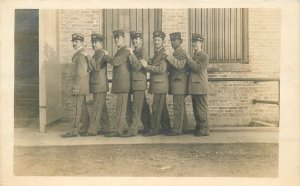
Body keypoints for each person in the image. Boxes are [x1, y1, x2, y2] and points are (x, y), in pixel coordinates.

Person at [141, 31, 171, 136]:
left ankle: (153, 129)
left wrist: (147, 66)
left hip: (160, 85)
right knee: (162, 108)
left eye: (158, 40)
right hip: (158, 84)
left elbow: (162, 69)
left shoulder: (163, 53)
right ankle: (167, 128)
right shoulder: (157, 53)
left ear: (163, 41)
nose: (156, 42)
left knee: (156, 107)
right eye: (155, 40)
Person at [80, 33, 111, 136]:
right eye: (92, 42)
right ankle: (106, 128)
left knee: (96, 108)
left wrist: (88, 56)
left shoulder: (101, 53)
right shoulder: (97, 53)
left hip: (99, 85)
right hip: (97, 85)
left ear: (101, 43)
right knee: (101, 108)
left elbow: (97, 67)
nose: (93, 44)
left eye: (95, 42)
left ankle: (92, 130)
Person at [122, 30, 151, 137]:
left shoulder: (143, 51)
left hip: (139, 83)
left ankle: (133, 130)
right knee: (143, 106)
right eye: (133, 39)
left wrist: (131, 54)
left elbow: (138, 66)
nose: (134, 41)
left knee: (136, 107)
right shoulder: (135, 51)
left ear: (141, 40)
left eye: (136, 39)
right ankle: (149, 127)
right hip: (134, 83)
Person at [61, 33, 90, 138]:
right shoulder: (80, 54)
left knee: (76, 109)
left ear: (82, 42)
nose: (74, 43)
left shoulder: (80, 55)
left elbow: (81, 72)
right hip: (81, 87)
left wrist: (76, 87)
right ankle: (85, 128)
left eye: (76, 41)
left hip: (79, 87)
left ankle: (73, 131)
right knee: (81, 109)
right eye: (73, 41)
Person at [104, 30, 132, 137]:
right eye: (115, 38)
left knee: (121, 108)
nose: (116, 40)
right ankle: (121, 129)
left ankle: (118, 130)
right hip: (121, 84)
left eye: (119, 38)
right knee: (121, 108)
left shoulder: (125, 51)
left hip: (123, 84)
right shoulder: (120, 51)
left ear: (124, 39)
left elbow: (115, 62)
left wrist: (106, 55)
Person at [164, 32, 189, 136]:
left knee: (178, 107)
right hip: (176, 84)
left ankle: (177, 129)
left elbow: (180, 65)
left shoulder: (182, 53)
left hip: (180, 84)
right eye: (172, 41)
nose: (173, 43)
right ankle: (184, 127)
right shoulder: (175, 53)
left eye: (175, 40)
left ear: (180, 41)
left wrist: (168, 57)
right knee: (180, 106)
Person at [185, 33, 210, 137]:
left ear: (201, 43)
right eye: (193, 42)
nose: (194, 44)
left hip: (200, 87)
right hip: (195, 87)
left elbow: (197, 68)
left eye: (196, 42)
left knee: (201, 108)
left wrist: (188, 59)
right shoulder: (195, 55)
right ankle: (199, 127)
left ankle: (204, 129)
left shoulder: (204, 56)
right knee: (196, 108)